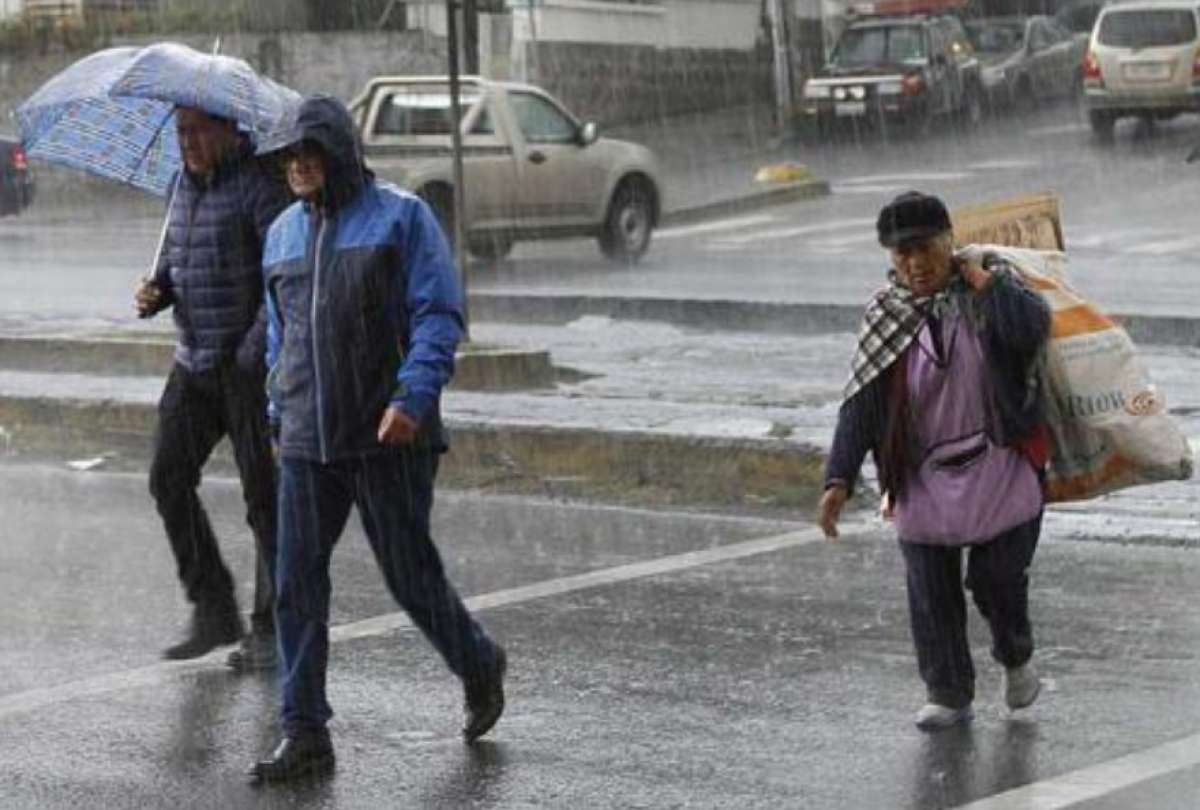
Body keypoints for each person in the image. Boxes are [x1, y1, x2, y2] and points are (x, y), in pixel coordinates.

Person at [249, 95, 507, 783]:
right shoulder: (281, 234)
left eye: (311, 152)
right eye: (289, 156)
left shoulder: (401, 217)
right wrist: (279, 415)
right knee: (295, 582)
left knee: (410, 576)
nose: (299, 165)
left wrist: (412, 398)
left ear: (339, 154)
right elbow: (281, 337)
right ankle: (304, 732)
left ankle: (479, 663)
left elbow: (439, 314)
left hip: (389, 438)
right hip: (307, 441)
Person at [817, 191, 1052, 731]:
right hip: (921, 470)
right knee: (929, 587)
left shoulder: (990, 286)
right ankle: (948, 690)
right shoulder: (886, 316)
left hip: (1000, 460)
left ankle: (1015, 655)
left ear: (949, 241)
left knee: (996, 579)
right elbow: (862, 402)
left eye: (924, 248)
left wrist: (986, 287)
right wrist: (839, 478)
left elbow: (1032, 329)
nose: (915, 264)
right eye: (901, 254)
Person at [135, 106, 293, 672]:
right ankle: (213, 606)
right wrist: (160, 291)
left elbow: (281, 279)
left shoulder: (259, 186)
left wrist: (251, 357)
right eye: (181, 133)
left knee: (266, 504)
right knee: (167, 477)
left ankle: (274, 629)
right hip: (194, 363)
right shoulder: (183, 186)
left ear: (231, 131)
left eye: (200, 131)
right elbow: (185, 264)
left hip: (246, 371)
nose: (190, 142)